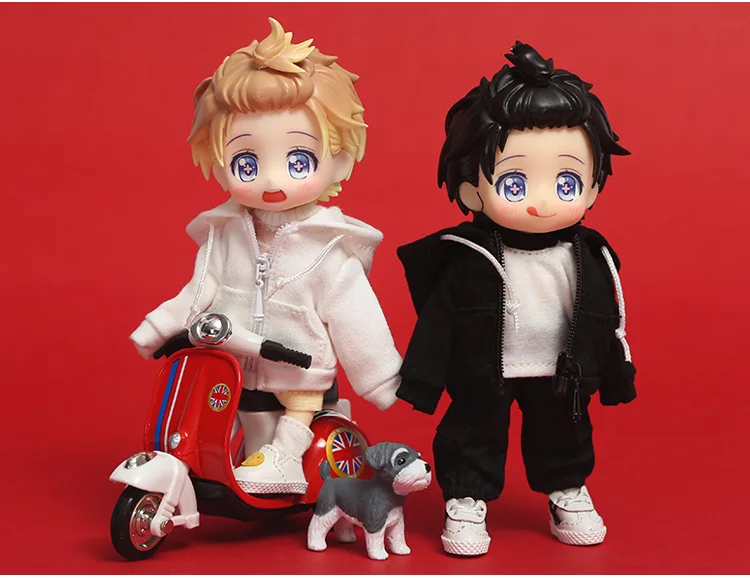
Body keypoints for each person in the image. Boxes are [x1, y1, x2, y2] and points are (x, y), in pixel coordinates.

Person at [131, 18, 401, 495]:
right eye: (247, 163)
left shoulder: (330, 248)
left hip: (299, 363)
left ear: (339, 160)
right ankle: (238, 458)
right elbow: (199, 292)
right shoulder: (224, 236)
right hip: (235, 360)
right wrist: (158, 328)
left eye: (298, 161)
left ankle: (287, 457)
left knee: (299, 398)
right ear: (219, 166)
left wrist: (381, 377)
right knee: (233, 409)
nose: (272, 180)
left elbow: (356, 315)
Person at [396, 42, 636, 555]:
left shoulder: (590, 254)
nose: (541, 201)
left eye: (566, 182)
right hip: (484, 370)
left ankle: (567, 489)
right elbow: (438, 320)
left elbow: (607, 317)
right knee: (472, 431)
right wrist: (421, 379)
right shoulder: (468, 256)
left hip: (561, 370)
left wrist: (615, 371)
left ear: (594, 187)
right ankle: (465, 496)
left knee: (565, 433)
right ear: (470, 190)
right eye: (514, 182)